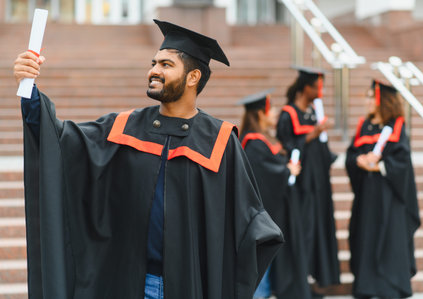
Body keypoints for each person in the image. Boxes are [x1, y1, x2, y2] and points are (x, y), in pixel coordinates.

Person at [14, 19, 284, 299]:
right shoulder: (124, 127)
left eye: (166, 65)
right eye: (154, 63)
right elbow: (61, 141)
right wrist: (29, 90)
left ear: (192, 77)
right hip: (128, 281)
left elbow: (248, 217)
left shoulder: (219, 141)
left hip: (190, 284)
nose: (153, 71)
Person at [345, 80, 420, 299]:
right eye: (367, 97)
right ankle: (366, 286)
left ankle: (389, 286)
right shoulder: (364, 126)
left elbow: (403, 162)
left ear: (383, 100)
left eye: (372, 97)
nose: (368, 101)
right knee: (365, 236)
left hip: (389, 198)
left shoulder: (396, 126)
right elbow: (350, 155)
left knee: (389, 240)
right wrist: (359, 161)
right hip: (367, 196)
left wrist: (380, 165)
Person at [238, 89, 311, 299]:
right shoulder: (253, 143)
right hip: (262, 215)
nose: (275, 114)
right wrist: (288, 170)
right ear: (261, 114)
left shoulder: (259, 141)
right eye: (271, 110)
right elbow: (265, 175)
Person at [276, 66, 340, 295]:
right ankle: (299, 282)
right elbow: (287, 148)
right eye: (317, 87)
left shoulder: (313, 111)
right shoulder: (288, 114)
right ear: (305, 88)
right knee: (304, 232)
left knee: (318, 231)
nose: (320, 92)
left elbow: (320, 150)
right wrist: (313, 134)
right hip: (300, 186)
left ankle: (315, 280)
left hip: (318, 185)